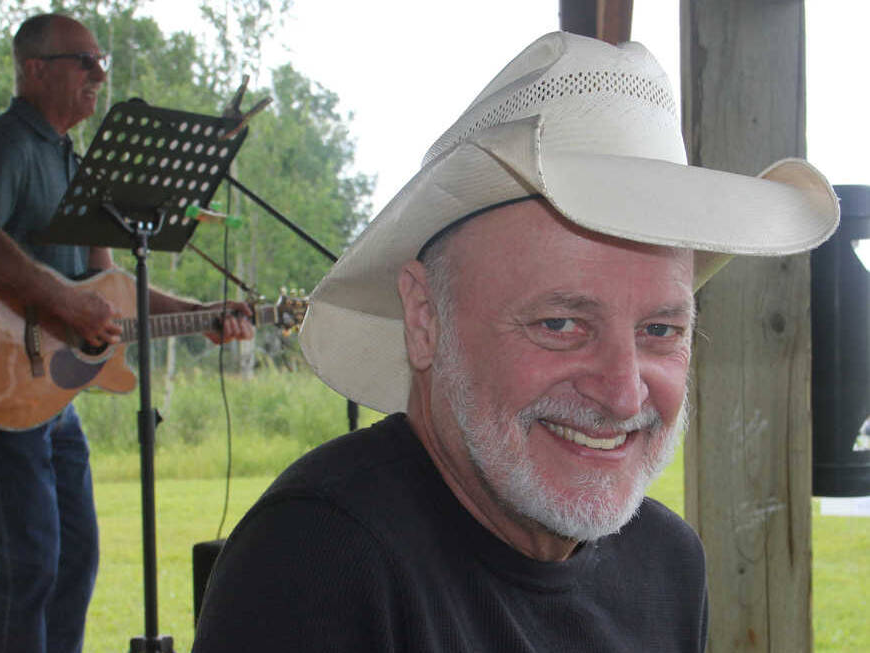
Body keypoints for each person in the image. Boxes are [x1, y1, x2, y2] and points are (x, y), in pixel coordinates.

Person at [191, 32, 839, 652]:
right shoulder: (321, 557)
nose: (621, 393)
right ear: (424, 319)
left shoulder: (668, 564)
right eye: (561, 324)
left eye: (660, 330)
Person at [0, 13, 254, 653]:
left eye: (101, 60)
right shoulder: (3, 145)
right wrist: (63, 304)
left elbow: (107, 288)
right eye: (84, 61)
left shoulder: (70, 161)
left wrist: (200, 313)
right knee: (27, 568)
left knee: (74, 561)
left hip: (51, 402)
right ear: (34, 69)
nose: (99, 74)